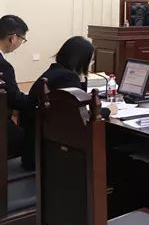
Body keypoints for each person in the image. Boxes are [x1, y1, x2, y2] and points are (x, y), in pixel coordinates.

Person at [20, 36, 93, 170]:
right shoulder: (67, 78)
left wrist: (80, 78)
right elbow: (78, 115)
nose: (91, 63)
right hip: (49, 153)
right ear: (81, 60)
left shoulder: (54, 71)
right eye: (90, 60)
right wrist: (107, 111)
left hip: (34, 148)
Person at [0, 15, 29, 158]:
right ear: (13, 38)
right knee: (30, 141)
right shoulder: (4, 66)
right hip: (1, 127)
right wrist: (33, 99)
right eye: (22, 40)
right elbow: (14, 100)